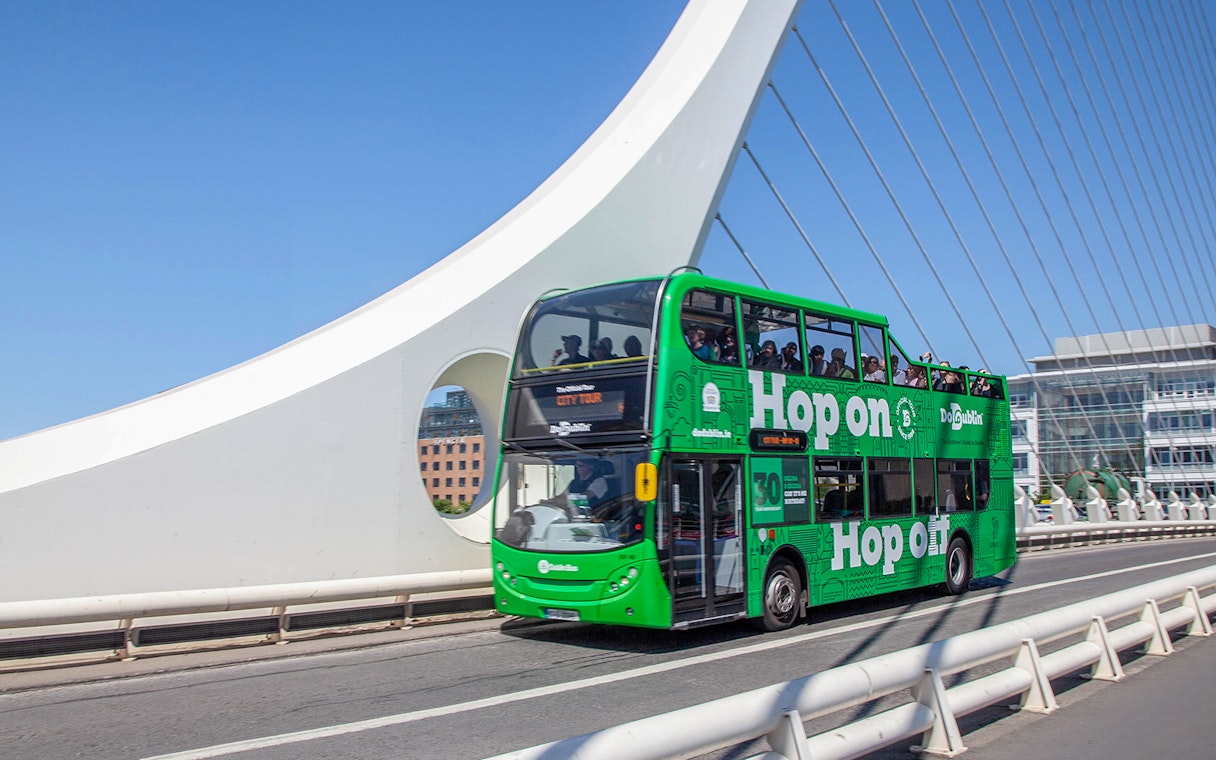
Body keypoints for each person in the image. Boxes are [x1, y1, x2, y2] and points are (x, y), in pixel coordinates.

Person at [541, 459, 612, 515]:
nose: (577, 468)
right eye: (576, 466)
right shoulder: (574, 481)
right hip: (574, 515)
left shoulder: (600, 481)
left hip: (593, 516)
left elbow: (585, 498)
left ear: (590, 466)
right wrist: (550, 501)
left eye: (581, 465)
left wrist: (563, 502)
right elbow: (563, 495)